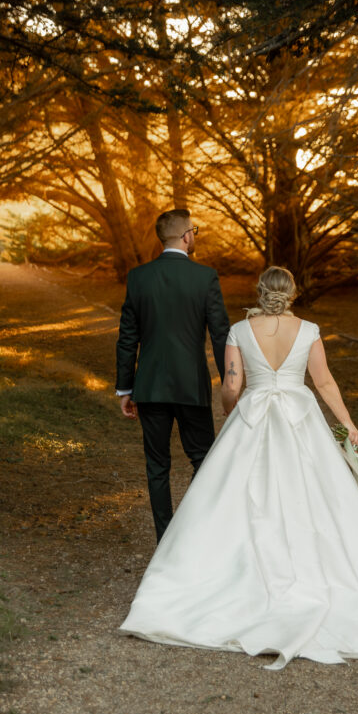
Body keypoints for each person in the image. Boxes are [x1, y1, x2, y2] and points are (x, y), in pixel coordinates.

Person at [120, 266, 358, 670]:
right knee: (311, 499)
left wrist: (230, 414)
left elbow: (232, 386)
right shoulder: (308, 330)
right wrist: (347, 422)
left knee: (232, 499)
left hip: (253, 417)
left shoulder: (239, 331)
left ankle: (224, 579)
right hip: (300, 419)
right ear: (292, 294)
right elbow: (324, 382)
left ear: (260, 291)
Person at [116, 208, 230, 542]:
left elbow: (127, 336)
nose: (194, 236)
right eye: (193, 231)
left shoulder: (139, 277)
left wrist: (125, 387)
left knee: (157, 466)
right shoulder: (204, 277)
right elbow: (221, 334)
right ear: (185, 235)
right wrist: (229, 385)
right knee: (203, 461)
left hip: (148, 387)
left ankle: (166, 539)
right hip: (191, 385)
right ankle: (196, 535)